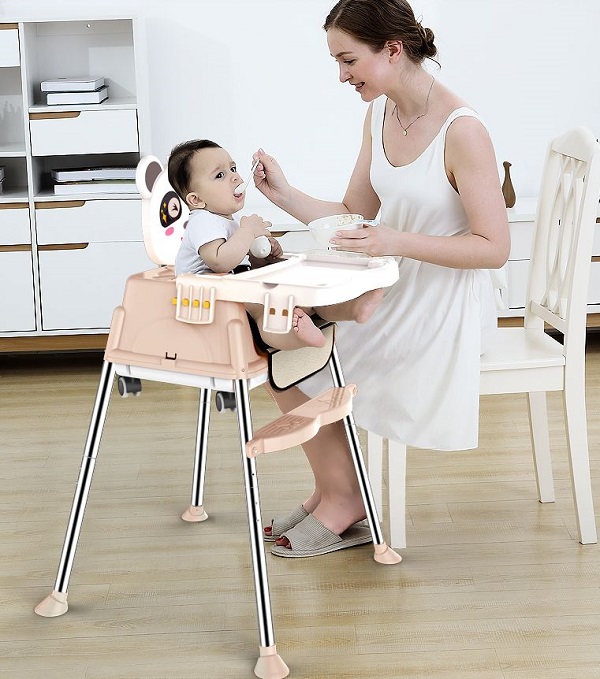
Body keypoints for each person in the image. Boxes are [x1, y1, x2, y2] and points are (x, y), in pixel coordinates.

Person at [252, 0, 511, 557]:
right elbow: (353, 211)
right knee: (281, 347)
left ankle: (345, 502)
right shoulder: (379, 114)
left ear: (393, 49)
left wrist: (394, 242)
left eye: (348, 60)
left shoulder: (463, 131)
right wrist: (286, 194)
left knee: (303, 356)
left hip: (443, 299)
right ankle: (334, 492)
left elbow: (494, 249)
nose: (342, 75)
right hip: (392, 284)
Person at [168, 138, 383, 351]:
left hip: (230, 289)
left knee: (297, 293)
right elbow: (219, 262)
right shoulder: (202, 221)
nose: (235, 177)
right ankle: (296, 335)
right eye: (220, 175)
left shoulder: (224, 220)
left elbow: (238, 264)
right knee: (264, 309)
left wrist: (262, 258)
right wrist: (248, 231)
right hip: (205, 300)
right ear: (196, 200)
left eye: (233, 168)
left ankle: (352, 307)